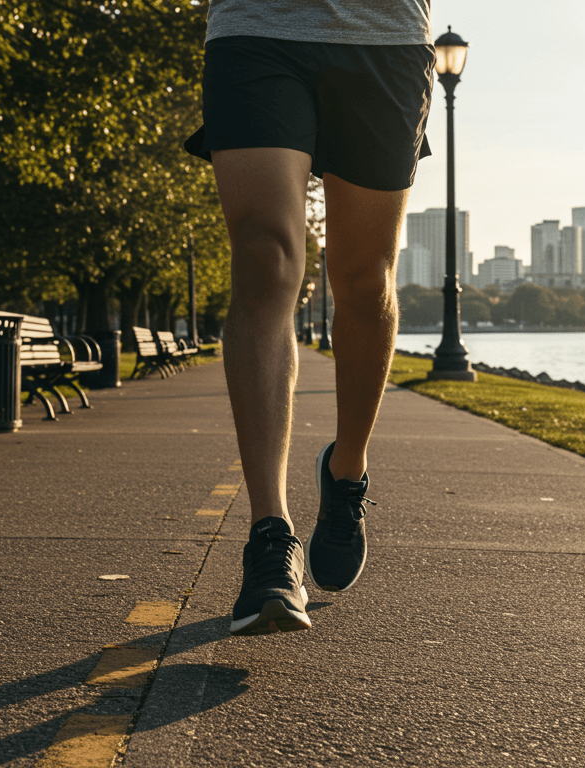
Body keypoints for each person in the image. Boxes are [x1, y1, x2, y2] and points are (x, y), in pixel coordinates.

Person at [182, 0, 434, 635]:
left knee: (365, 281)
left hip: (383, 37)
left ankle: (347, 472)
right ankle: (270, 539)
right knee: (264, 260)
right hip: (256, 27)